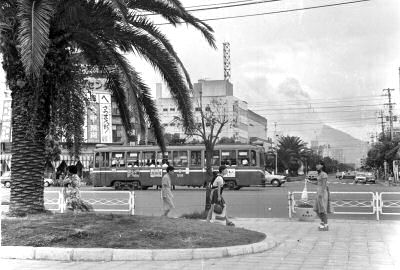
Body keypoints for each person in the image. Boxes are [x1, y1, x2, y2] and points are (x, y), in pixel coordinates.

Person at [311, 160, 332, 231]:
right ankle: (322, 222)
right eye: (316, 164)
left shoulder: (324, 174)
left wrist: (321, 193)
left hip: (322, 193)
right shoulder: (319, 174)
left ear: (322, 166)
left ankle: (326, 224)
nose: (316, 166)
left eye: (318, 164)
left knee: (323, 209)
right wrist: (310, 182)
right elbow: (318, 182)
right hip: (318, 192)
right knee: (316, 209)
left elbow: (324, 185)